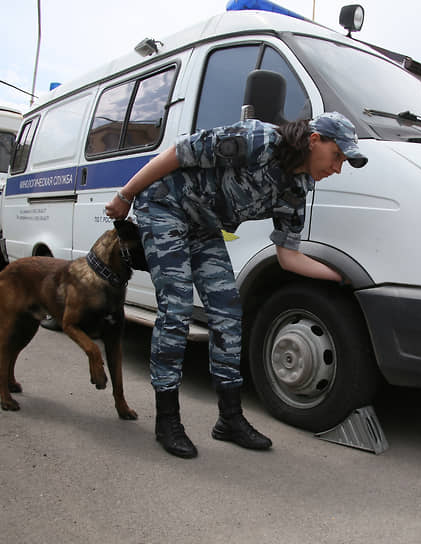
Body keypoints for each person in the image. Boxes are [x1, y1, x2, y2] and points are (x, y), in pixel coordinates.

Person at [104, 112, 367, 458]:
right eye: (337, 156)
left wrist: (341, 277)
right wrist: (125, 196)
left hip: (204, 225)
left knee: (228, 313)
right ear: (314, 140)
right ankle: (167, 419)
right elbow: (178, 153)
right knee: (178, 307)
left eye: (344, 162)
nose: (337, 168)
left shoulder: (297, 187)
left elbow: (288, 255)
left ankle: (229, 419)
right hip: (165, 205)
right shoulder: (257, 139)